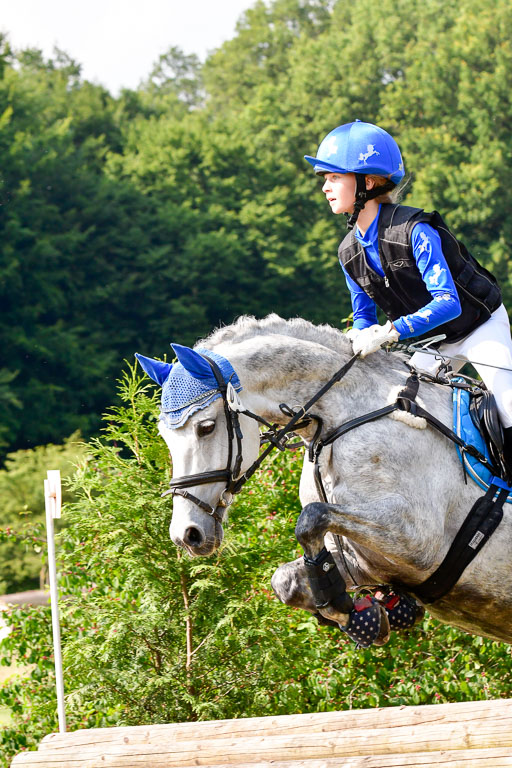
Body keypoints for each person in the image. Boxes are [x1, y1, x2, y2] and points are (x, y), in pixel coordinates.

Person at [304, 119, 512, 465]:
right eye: (326, 179)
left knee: (508, 402)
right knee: (400, 409)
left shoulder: (415, 231)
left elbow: (448, 302)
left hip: (478, 328)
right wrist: (358, 335)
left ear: (367, 182)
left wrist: (388, 333)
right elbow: (363, 315)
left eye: (335, 177)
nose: (326, 187)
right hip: (432, 344)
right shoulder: (348, 252)